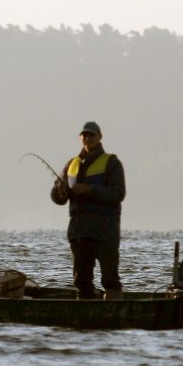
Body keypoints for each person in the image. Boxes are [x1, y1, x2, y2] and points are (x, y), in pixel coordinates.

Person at [50, 121, 126, 299]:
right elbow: (56, 196)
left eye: (91, 135)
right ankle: (86, 313)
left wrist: (90, 190)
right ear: (80, 138)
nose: (88, 138)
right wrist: (60, 192)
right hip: (79, 231)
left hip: (105, 230)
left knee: (110, 279)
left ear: (100, 137)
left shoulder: (112, 163)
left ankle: (115, 312)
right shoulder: (72, 164)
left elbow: (118, 194)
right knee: (81, 280)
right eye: (84, 135)